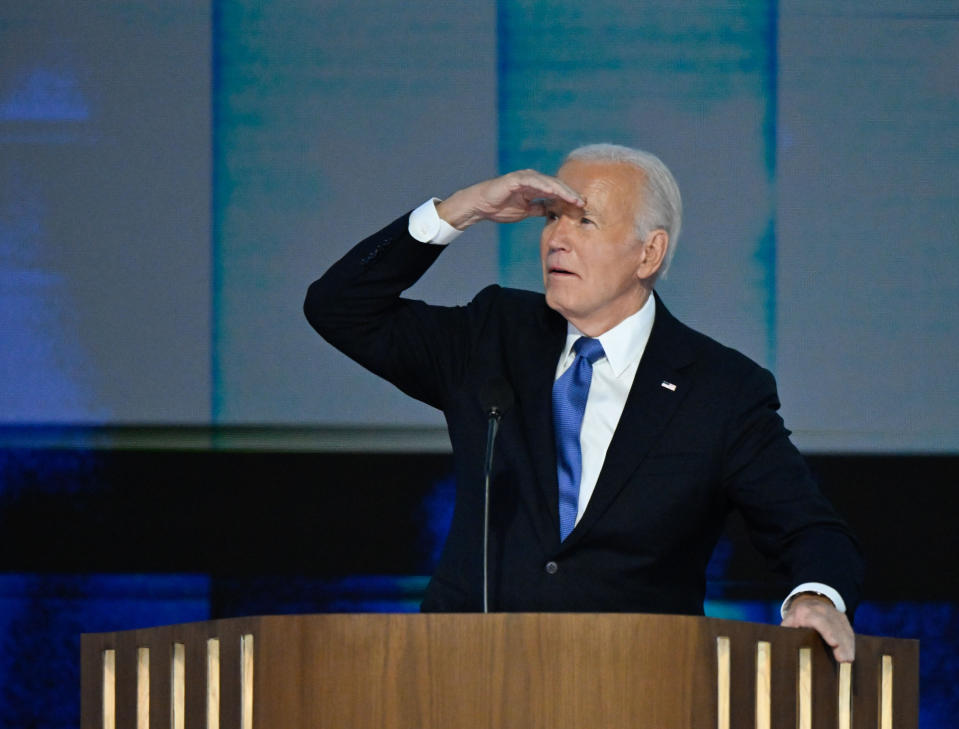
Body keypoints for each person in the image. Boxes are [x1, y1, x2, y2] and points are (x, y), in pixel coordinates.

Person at [304, 143, 863, 662]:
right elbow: (339, 308)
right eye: (552, 218)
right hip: (467, 678)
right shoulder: (495, 335)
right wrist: (461, 209)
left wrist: (815, 598)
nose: (556, 240)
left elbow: (807, 529)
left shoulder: (720, 389)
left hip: (636, 689)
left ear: (649, 253)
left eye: (586, 221)